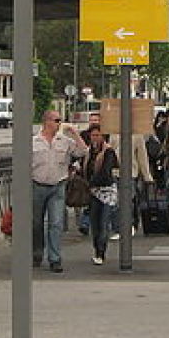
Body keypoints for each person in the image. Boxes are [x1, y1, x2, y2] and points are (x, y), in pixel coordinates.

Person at [31, 110, 86, 272]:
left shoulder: (65, 141)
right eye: (57, 120)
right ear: (47, 122)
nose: (59, 123)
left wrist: (75, 133)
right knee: (36, 223)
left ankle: (55, 258)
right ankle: (37, 252)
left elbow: (83, 151)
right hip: (37, 184)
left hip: (57, 185)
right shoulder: (33, 141)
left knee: (56, 223)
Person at [84, 125, 119, 265]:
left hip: (106, 191)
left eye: (98, 135)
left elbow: (106, 172)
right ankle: (96, 250)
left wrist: (91, 182)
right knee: (95, 224)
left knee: (104, 223)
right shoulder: (88, 152)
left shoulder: (108, 152)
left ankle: (101, 252)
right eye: (93, 135)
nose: (95, 138)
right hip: (93, 192)